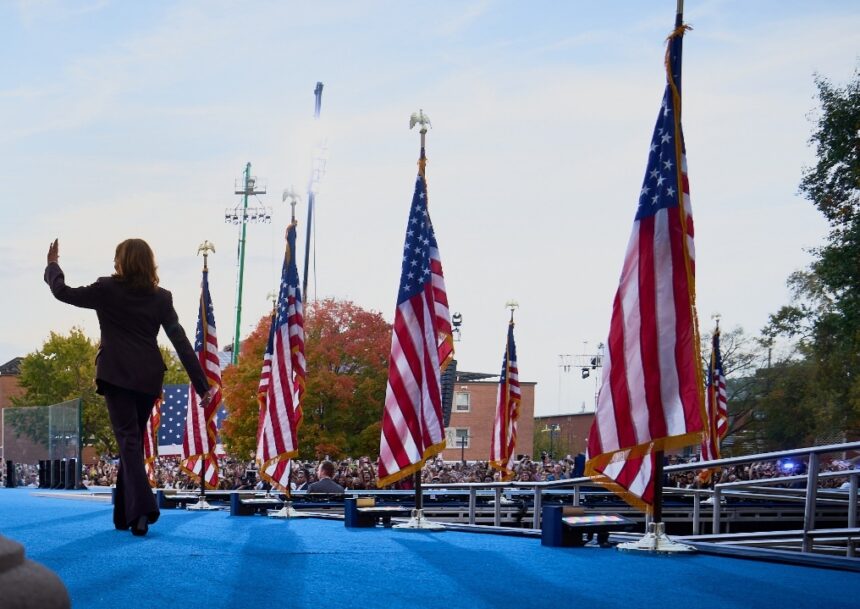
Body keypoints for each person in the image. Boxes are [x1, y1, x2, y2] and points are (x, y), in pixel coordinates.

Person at [44, 238, 214, 537]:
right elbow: (180, 340)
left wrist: (52, 265)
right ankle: (124, 515)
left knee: (129, 441)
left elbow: (63, 293)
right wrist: (202, 386)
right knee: (131, 443)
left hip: (117, 375)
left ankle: (143, 510)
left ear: (121, 261)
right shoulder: (161, 297)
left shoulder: (106, 289)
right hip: (148, 378)